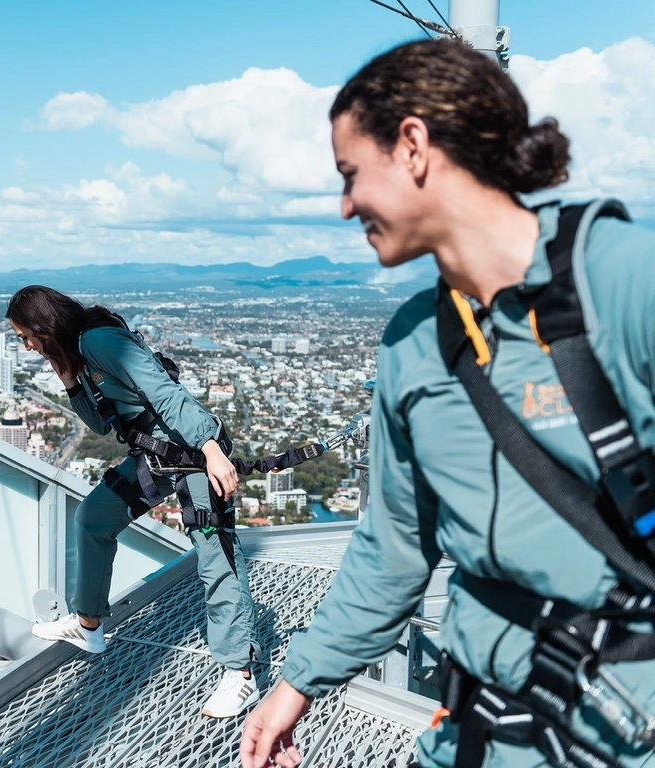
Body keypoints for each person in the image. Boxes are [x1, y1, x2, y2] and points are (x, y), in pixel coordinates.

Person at [240, 38, 655, 768]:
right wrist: (295, 686)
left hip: (622, 730)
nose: (343, 207)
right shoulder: (414, 346)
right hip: (477, 728)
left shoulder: (620, 282)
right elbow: (395, 549)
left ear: (412, 146)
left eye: (349, 175)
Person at [6, 285, 260, 719]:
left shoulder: (99, 340)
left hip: (192, 454)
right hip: (156, 458)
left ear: (42, 325)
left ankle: (241, 675)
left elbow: (163, 392)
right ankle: (89, 627)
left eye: (25, 335)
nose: (26, 345)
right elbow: (100, 424)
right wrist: (67, 375)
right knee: (92, 520)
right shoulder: (80, 352)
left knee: (216, 556)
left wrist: (213, 448)